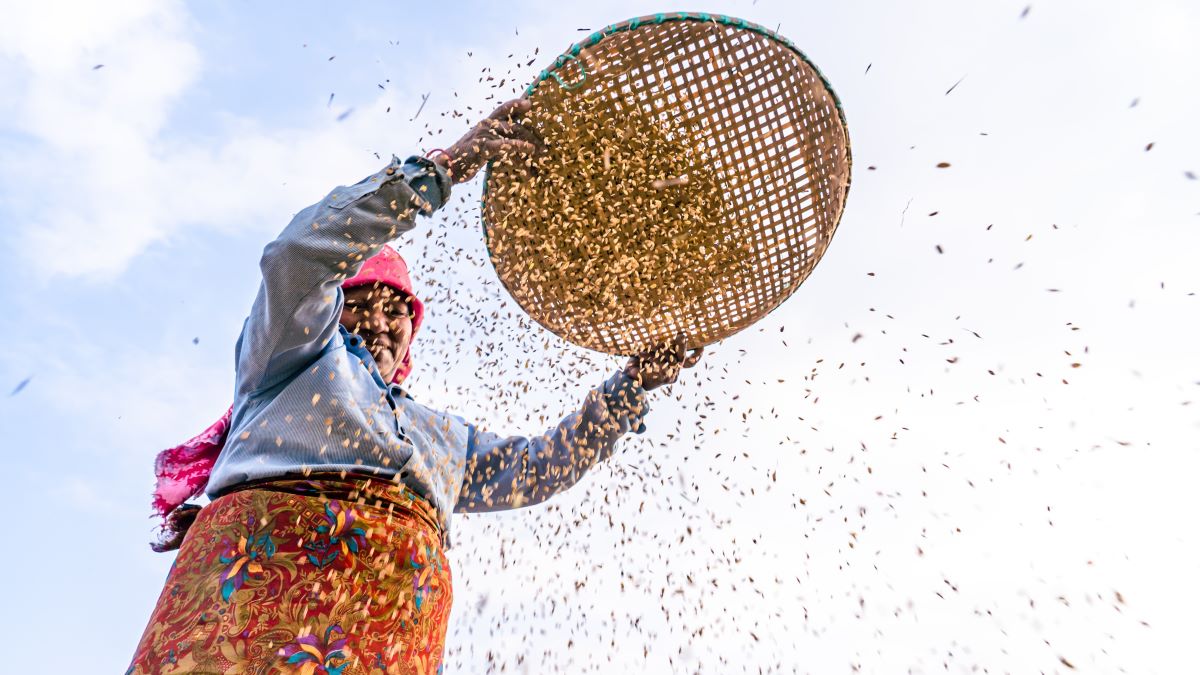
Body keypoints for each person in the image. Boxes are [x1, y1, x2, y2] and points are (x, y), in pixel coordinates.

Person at [128, 98, 703, 674]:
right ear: (327, 308)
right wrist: (441, 170)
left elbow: (536, 468)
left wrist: (633, 386)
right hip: (253, 605)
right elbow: (298, 256)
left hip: (389, 628)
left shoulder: (441, 437)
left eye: (395, 310)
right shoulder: (291, 360)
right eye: (358, 304)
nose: (379, 324)